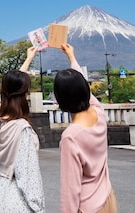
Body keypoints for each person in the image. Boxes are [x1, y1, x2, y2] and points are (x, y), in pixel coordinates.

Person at [54, 44, 118, 213]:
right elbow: (84, 89)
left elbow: (70, 189)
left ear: (60, 101)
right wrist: (71, 57)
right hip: (107, 199)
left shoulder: (71, 137)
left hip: (87, 207)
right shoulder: (99, 113)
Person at [0, 46, 45, 212]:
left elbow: (9, 90)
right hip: (18, 200)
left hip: (0, 194)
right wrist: (38, 207)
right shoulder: (22, 130)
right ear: (24, 94)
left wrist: (28, 59)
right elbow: (28, 175)